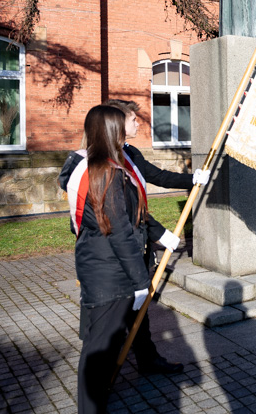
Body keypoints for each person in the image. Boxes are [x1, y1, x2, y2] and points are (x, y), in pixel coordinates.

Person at [58, 105, 172, 413]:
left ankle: (96, 400)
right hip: (109, 272)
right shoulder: (105, 172)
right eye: (129, 122)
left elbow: (130, 218)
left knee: (103, 346)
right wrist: (140, 282)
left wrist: (158, 234)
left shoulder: (106, 166)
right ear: (112, 129)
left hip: (106, 267)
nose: (135, 125)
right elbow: (120, 231)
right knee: (99, 349)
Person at [100, 99, 210, 375]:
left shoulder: (131, 152)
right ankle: (102, 369)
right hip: (119, 250)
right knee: (117, 313)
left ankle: (147, 360)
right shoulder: (107, 161)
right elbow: (123, 210)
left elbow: (157, 176)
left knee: (139, 311)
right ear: (117, 122)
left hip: (139, 245)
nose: (138, 123)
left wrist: (192, 179)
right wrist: (160, 232)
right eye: (133, 119)